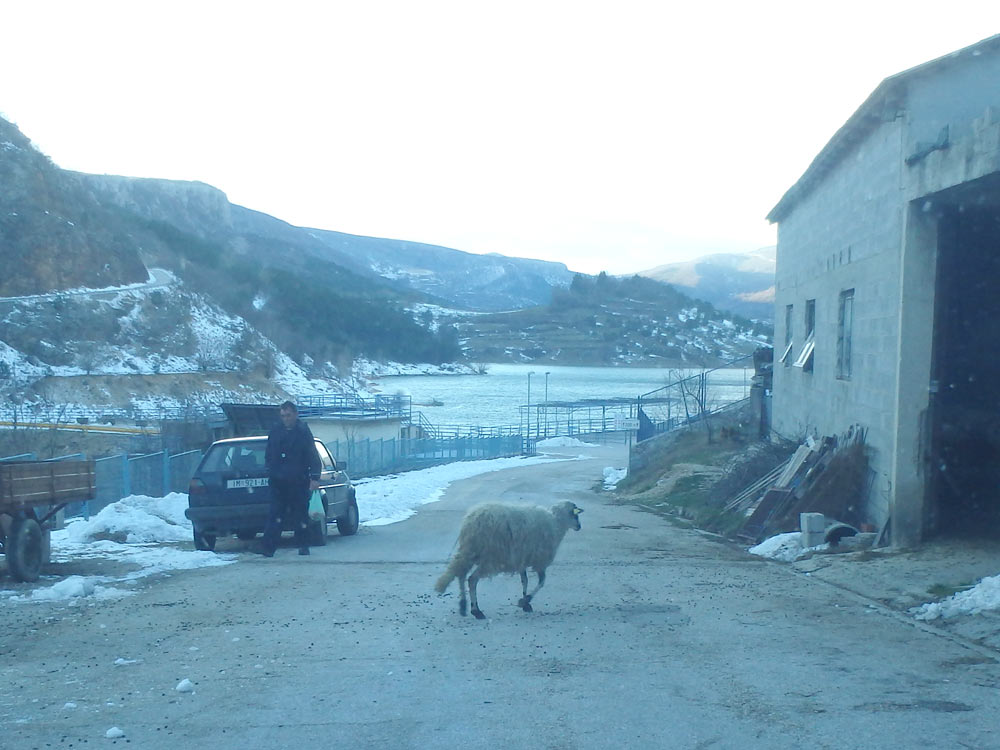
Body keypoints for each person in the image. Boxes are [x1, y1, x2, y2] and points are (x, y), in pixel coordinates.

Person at [258, 401, 321, 557]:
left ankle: (303, 545)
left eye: (288, 415)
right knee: (275, 514)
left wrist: (314, 477)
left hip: (298, 480)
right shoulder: (276, 430)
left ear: (295, 414)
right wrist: (269, 469)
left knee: (300, 514)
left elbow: (312, 455)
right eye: (283, 416)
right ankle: (268, 548)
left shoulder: (303, 431)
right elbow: (269, 452)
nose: (286, 418)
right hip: (278, 481)